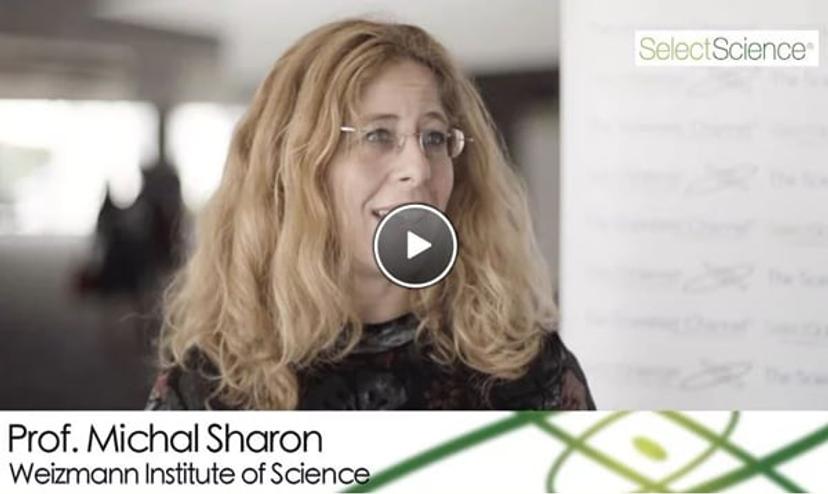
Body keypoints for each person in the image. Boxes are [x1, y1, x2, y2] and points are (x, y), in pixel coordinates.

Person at [146, 18, 595, 410]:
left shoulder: (528, 368)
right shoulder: (209, 389)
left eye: (434, 138)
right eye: (378, 135)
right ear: (295, 166)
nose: (419, 168)